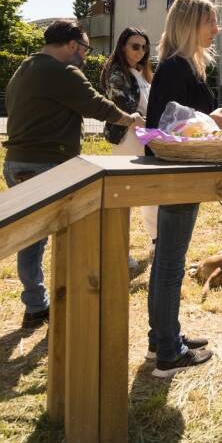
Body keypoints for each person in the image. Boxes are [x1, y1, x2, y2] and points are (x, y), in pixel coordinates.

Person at [3, 20, 144, 328]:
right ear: (70, 45)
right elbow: (96, 104)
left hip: (16, 163)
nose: (84, 55)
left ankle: (36, 305)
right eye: (84, 48)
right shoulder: (62, 71)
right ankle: (76, 295)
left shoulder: (25, 68)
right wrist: (129, 119)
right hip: (45, 164)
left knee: (32, 236)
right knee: (76, 231)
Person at [145, 0, 222, 377]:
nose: (216, 29)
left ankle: (163, 338)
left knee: (166, 261)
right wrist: (211, 120)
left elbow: (181, 119)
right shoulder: (177, 68)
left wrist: (210, 117)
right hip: (179, 175)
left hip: (180, 174)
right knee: (170, 262)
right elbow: (172, 127)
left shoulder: (178, 66)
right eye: (210, 22)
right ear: (190, 24)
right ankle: (168, 351)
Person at [101, 27, 158, 270]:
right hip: (128, 138)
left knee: (151, 192)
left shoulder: (143, 72)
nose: (141, 52)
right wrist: (140, 119)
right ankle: (119, 251)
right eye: (135, 46)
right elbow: (121, 104)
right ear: (122, 46)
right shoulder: (116, 72)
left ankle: (157, 242)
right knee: (126, 195)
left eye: (144, 47)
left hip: (147, 136)